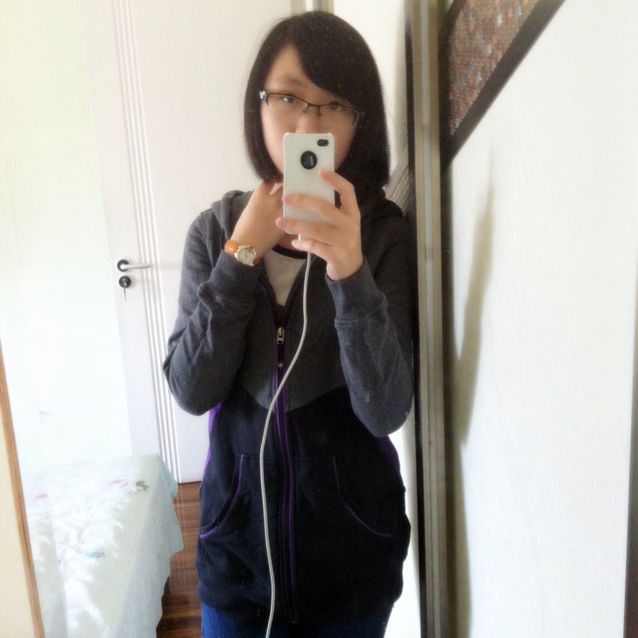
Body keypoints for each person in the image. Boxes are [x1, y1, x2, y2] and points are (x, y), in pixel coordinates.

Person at [163, 11, 413, 638]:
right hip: (236, 566)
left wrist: (349, 271)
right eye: (290, 98)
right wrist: (240, 255)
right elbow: (191, 389)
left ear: (360, 122)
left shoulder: (383, 235)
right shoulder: (214, 232)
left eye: (335, 105)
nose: (308, 124)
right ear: (260, 106)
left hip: (353, 568)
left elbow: (384, 410)